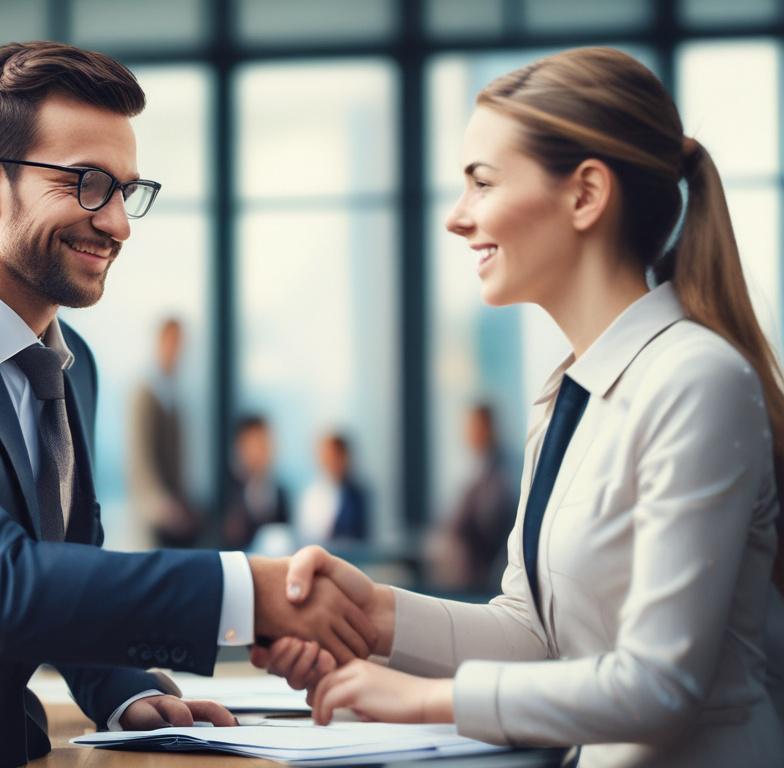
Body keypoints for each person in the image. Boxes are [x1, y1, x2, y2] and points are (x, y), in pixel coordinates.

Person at [0, 42, 377, 767]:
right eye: (86, 183)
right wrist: (248, 590)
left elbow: (66, 561)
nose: (117, 223)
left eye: (127, 190)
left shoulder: (67, 366)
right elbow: (4, 583)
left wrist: (117, 687)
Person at [255, 47, 784, 767]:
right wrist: (372, 614)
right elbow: (534, 638)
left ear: (585, 195)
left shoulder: (696, 380)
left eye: (481, 183)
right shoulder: (569, 394)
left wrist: (423, 699)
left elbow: (662, 684)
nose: (456, 218)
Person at [127, 317, 201, 547]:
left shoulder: (174, 397)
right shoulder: (145, 393)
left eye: (180, 344)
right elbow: (140, 456)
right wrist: (159, 505)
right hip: (154, 515)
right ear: (159, 343)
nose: (176, 350)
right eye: (171, 342)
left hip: (174, 510)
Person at [424, 403, 516, 590]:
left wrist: (457, 532)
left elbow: (489, 523)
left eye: (474, 426)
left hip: (478, 574)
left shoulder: (499, 474)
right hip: (463, 567)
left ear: (488, 429)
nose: (468, 433)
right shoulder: (476, 467)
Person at [223, 414, 290, 551]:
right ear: (240, 448)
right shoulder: (227, 492)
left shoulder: (280, 492)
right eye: (254, 444)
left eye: (265, 443)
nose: (261, 451)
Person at [297, 432, 369, 545]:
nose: (329, 460)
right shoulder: (312, 494)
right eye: (326, 455)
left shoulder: (357, 495)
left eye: (334, 455)